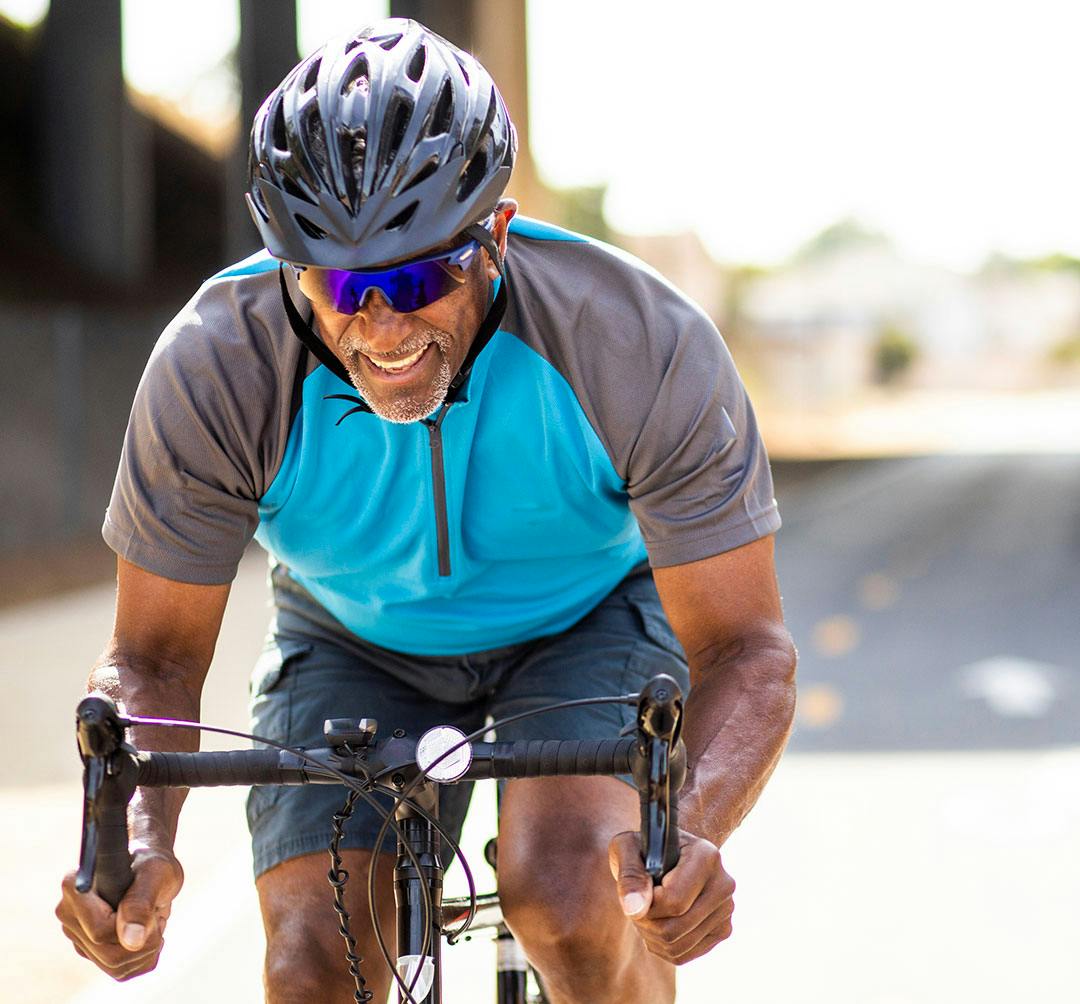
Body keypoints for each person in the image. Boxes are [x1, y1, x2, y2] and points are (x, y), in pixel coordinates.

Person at [54, 18, 796, 1004]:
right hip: (349, 632)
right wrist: (133, 839)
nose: (384, 324)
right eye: (344, 284)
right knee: (311, 965)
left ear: (496, 232)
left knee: (576, 898)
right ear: (291, 269)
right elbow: (152, 662)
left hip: (586, 617)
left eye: (418, 276)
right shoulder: (216, 366)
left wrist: (689, 830)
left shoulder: (634, 339)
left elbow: (749, 645)